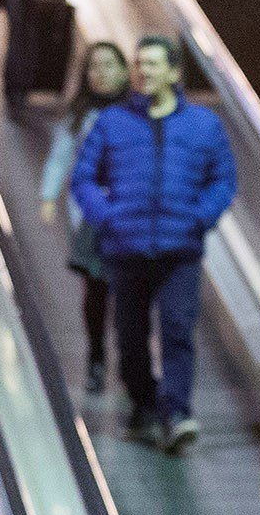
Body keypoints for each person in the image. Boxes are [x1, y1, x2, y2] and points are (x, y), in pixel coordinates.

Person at [70, 33, 236, 453]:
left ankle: (176, 411)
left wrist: (201, 217)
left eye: (154, 64)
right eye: (139, 64)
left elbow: (223, 179)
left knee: (178, 329)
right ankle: (144, 404)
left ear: (174, 72)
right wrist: (106, 218)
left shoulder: (203, 125)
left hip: (181, 249)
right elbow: (84, 177)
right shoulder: (112, 123)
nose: (144, 72)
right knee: (130, 336)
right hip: (126, 249)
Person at [40, 41, 132, 396]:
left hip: (133, 217)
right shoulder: (78, 116)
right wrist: (48, 196)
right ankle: (97, 357)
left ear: (125, 70)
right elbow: (61, 157)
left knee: (130, 291)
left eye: (110, 65)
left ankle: (130, 360)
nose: (102, 73)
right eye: (95, 67)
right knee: (97, 289)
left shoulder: (141, 113)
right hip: (92, 217)